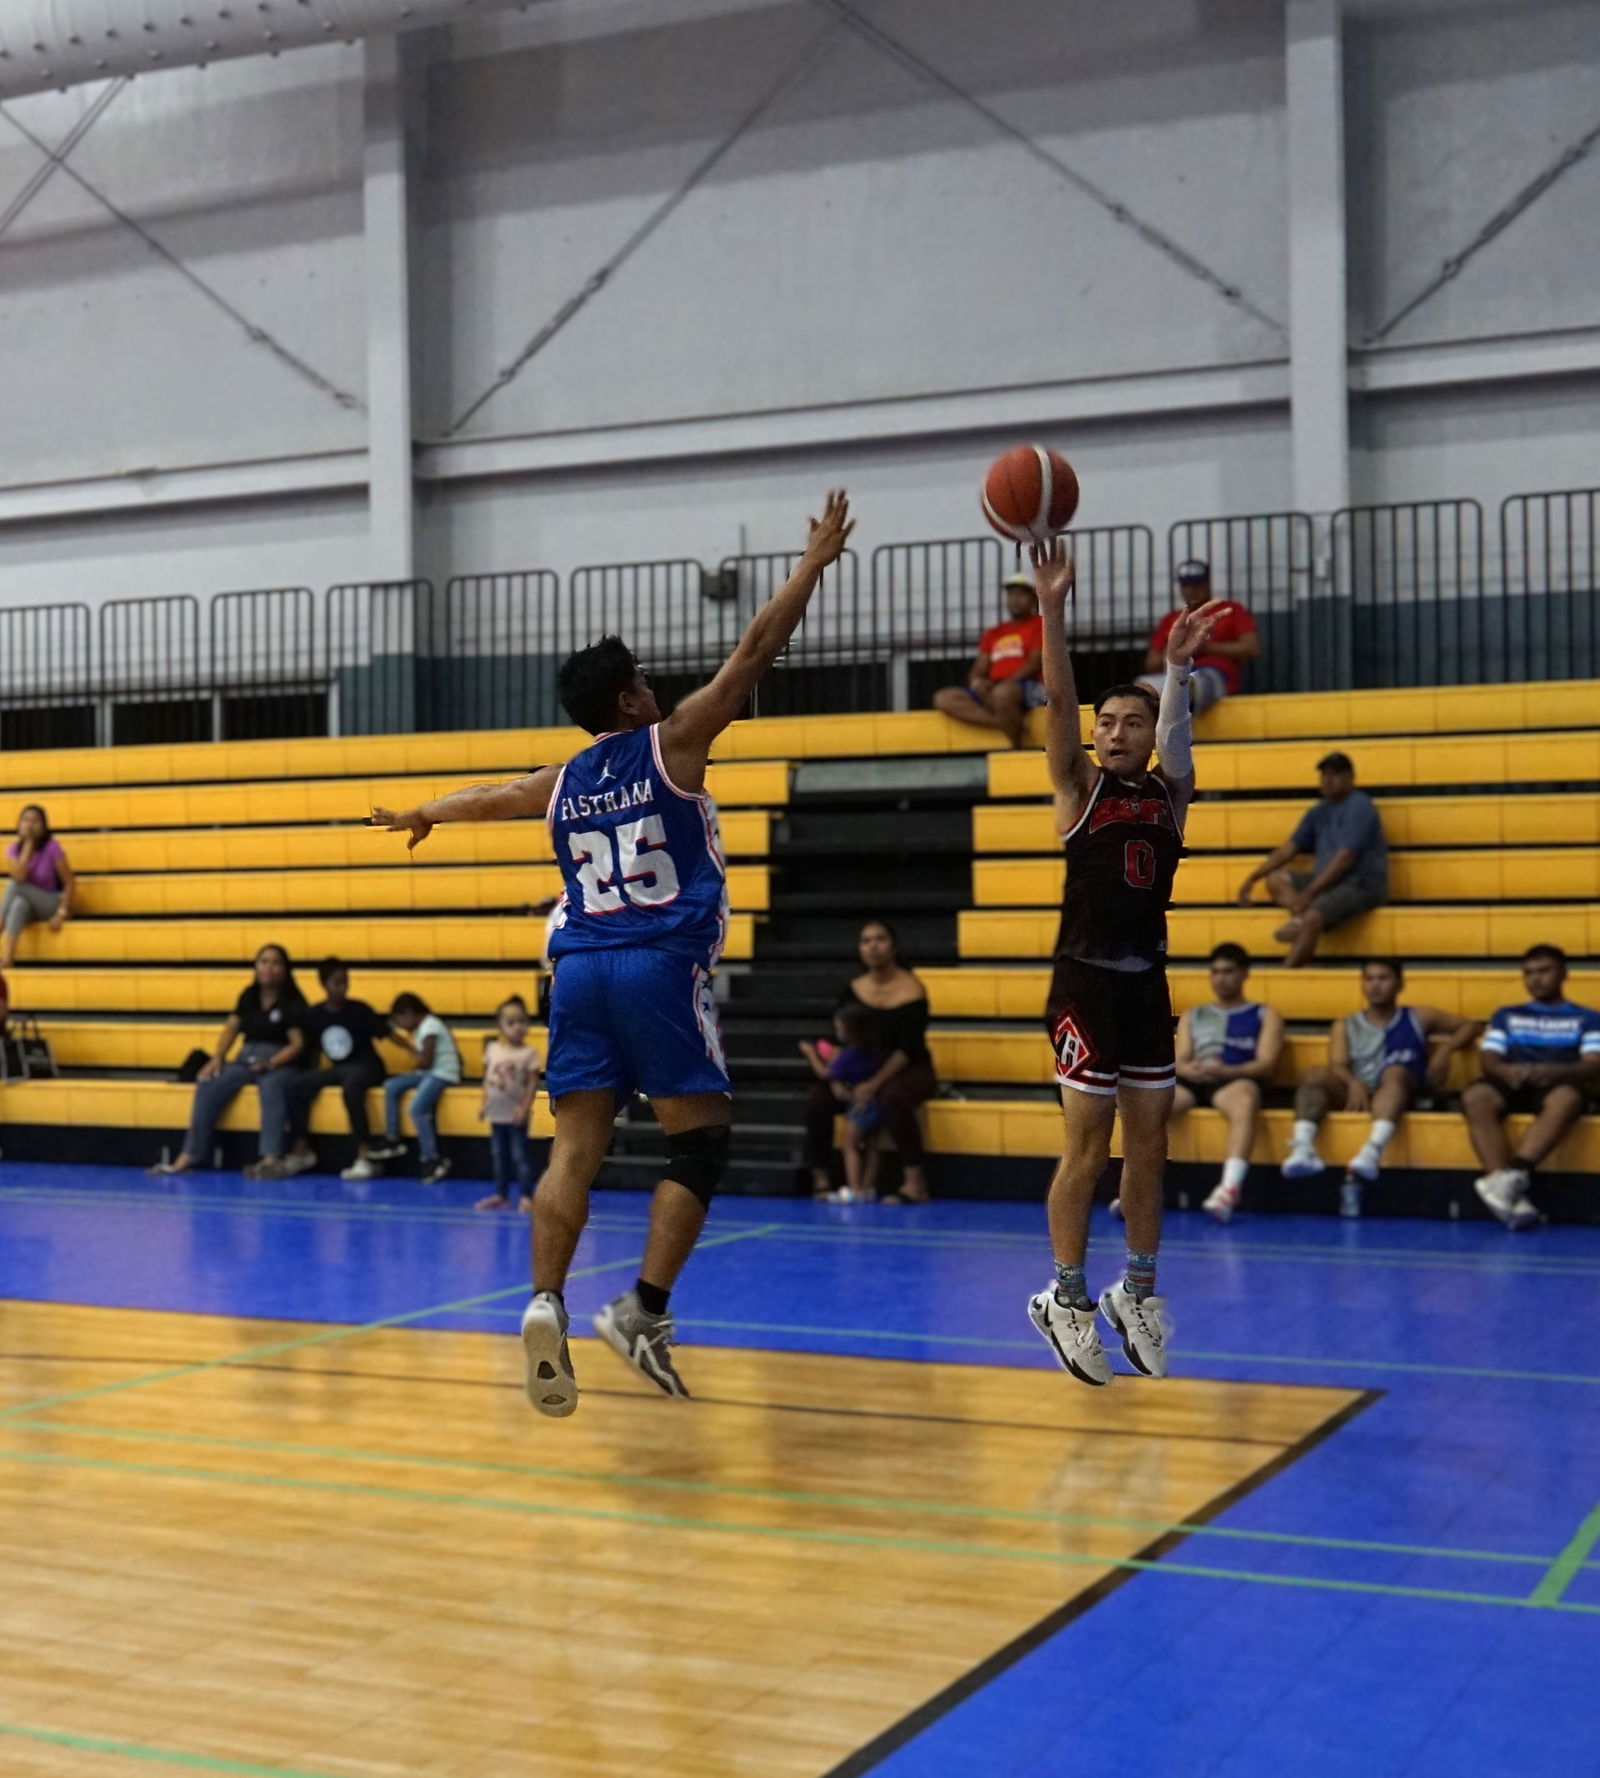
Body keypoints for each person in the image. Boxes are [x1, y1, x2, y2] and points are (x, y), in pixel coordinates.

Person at [374, 489, 854, 1417]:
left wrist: (423, 811)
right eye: (643, 681)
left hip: (578, 969)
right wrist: (811, 566)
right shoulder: (672, 744)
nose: (654, 688)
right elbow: (754, 654)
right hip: (656, 966)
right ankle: (643, 1309)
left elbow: (492, 795)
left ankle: (544, 1300)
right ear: (629, 699)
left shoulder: (564, 780)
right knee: (700, 1143)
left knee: (574, 1149)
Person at [1026, 536, 1226, 1388]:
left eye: (1129, 723)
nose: (1113, 732)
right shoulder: (1081, 788)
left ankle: (1135, 1291)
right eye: (1105, 723)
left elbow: (1179, 739)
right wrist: (1052, 607)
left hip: (1146, 985)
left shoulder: (1169, 796)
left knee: (1151, 1147)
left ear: (1149, 737)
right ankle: (1065, 1298)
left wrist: (1176, 669)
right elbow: (1059, 699)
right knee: (1088, 1146)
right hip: (1084, 985)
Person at [1283, 958, 1478, 1217]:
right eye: (1369, 979)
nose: (1375, 985)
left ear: (1399, 985)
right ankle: (1303, 1148)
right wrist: (1352, 1083)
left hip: (1401, 1091)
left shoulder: (1418, 1016)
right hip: (1360, 1093)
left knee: (1394, 1072)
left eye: (1383, 978)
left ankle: (1372, 1151)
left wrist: (1445, 1051)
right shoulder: (1345, 1024)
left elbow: (1470, 1025)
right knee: (1315, 1075)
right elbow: (1338, 1065)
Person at [1464, 945, 1600, 1231]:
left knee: (1567, 1098)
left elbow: (1592, 1064)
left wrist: (1556, 1072)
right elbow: (1488, 1059)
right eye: (1528, 973)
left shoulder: (1587, 1018)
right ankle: (1505, 1189)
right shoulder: (1506, 1015)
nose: (1535, 979)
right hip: (1513, 1078)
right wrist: (1505, 1071)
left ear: (1564, 975)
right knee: (1476, 1096)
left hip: (1559, 1079)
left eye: (1544, 971)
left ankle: (1515, 1174)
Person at [802, 920, 936, 1206]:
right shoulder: (853, 989)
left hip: (906, 1067)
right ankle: (821, 1177)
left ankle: (914, 1182)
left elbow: (907, 1049)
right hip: (859, 1067)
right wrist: (838, 1079)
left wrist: (872, 1084)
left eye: (880, 939)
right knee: (818, 1098)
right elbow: (838, 1039)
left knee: (893, 1096)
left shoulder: (913, 990)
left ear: (894, 946)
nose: (873, 946)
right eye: (866, 941)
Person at [149, 944, 306, 1176]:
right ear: (256, 966)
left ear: (284, 970)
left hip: (280, 1061)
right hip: (247, 1057)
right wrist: (217, 1058)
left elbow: (297, 1044)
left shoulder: (292, 1001)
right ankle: (189, 1154)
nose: (268, 967)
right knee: (209, 1080)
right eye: (264, 962)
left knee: (272, 1086)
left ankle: (270, 1158)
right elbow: (231, 1028)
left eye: (275, 963)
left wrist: (271, 1063)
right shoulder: (249, 995)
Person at [1235, 752, 1388, 967]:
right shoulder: (1319, 811)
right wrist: (1254, 877)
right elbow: (1288, 849)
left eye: (1335, 774)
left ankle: (1288, 972)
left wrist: (1310, 893)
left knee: (1313, 918)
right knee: (1276, 879)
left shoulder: (1360, 806)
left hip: (1360, 884)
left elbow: (1346, 858)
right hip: (1328, 882)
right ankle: (1300, 918)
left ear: (1350, 777)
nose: (1328, 780)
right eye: (1324, 775)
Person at [1171, 943, 1285, 1224]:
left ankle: (1229, 1189)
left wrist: (1227, 1071)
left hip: (1234, 1080)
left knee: (1245, 1099)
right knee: (1152, 1102)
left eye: (1229, 972)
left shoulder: (1264, 1015)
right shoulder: (1194, 1015)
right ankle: (1136, 1190)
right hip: (1195, 1080)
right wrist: (1189, 1069)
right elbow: (1180, 1060)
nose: (1221, 978)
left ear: (1245, 974)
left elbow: (1266, 1064)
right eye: (1216, 972)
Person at [275, 959, 391, 1183]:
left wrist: (414, 1052)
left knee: (352, 1088)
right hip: (339, 1070)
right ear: (324, 984)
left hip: (367, 1066)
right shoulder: (314, 1015)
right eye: (337, 983)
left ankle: (365, 1154)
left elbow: (388, 1034)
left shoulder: (359, 1010)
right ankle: (301, 1148)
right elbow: (312, 1050)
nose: (342, 988)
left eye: (345, 982)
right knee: (296, 1084)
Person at [932, 571, 1045, 748]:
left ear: (1033, 599)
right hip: (996, 689)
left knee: (1003, 693)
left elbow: (1034, 663)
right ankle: (1007, 722)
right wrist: (977, 683)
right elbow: (979, 667)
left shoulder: (1040, 624)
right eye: (1011, 594)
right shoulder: (994, 633)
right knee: (944, 698)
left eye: (1022, 594)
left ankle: (1017, 749)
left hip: (1032, 687)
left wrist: (1001, 685)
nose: (1015, 599)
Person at [1137, 561, 1258, 716]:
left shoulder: (1231, 610)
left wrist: (1205, 647)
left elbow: (1251, 648)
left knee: (1192, 683)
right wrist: (1176, 649)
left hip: (1213, 673)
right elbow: (1151, 663)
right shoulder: (1172, 618)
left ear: (1208, 583)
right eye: (1186, 585)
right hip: (1171, 675)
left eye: (1197, 584)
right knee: (1141, 689)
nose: (1192, 590)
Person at [367, 993, 461, 1185]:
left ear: (409, 1013)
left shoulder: (430, 1025)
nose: (401, 1027)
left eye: (399, 1021)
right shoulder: (421, 1029)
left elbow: (427, 1062)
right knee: (391, 1086)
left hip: (442, 1073)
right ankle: (393, 1138)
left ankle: (431, 1158)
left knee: (416, 1109)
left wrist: (415, 1059)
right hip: (428, 1073)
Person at [799, 1001, 885, 1204]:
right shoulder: (873, 1051)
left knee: (850, 1145)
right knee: (872, 1145)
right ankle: (868, 1187)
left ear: (849, 1032)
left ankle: (854, 1188)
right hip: (876, 1103)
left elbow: (825, 1074)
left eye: (839, 1029)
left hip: (859, 1107)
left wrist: (811, 1054)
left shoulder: (849, 1055)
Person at [476, 996, 543, 1212]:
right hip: (496, 1113)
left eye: (522, 1021)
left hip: (515, 1114)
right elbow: (487, 1079)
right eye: (511, 1023)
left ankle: (526, 1195)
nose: (518, 1027)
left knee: (520, 1156)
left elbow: (531, 1084)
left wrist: (524, 1108)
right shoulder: (493, 1049)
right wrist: (483, 1103)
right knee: (499, 1156)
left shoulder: (528, 1053)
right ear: (500, 1026)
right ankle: (501, 1194)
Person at [1, 804, 77, 971]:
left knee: (14, 885)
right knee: (18, 904)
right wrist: (27, 848)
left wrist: (61, 913)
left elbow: (69, 882)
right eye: (26, 820)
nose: (30, 825)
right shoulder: (13, 849)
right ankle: (8, 958)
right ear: (19, 824)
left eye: (35, 821)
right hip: (29, 904)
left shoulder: (52, 847)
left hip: (50, 901)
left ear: (44, 826)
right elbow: (20, 874)